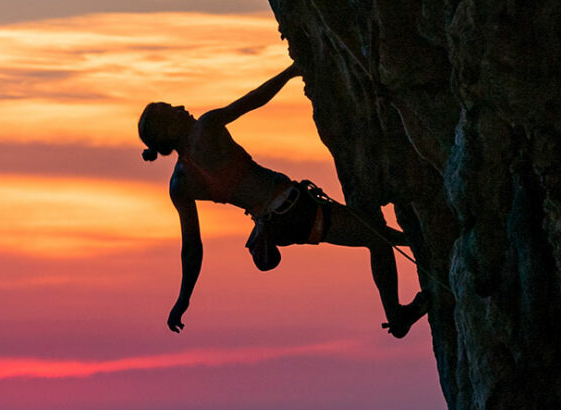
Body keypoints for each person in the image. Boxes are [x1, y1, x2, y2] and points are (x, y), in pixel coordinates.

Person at [139, 63, 427, 337]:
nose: (181, 108)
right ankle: (413, 283)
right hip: (294, 209)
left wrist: (183, 300)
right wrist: (290, 73)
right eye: (171, 111)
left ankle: (400, 304)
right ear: (166, 131)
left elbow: (192, 248)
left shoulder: (180, 184)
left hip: (281, 225)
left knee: (373, 234)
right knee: (377, 237)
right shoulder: (206, 127)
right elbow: (252, 100)